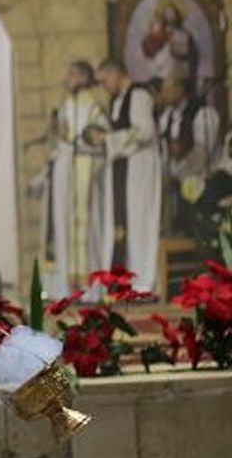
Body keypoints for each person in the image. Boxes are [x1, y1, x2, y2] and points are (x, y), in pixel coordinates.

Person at [89, 59, 162, 292]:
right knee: (123, 223)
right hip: (123, 169)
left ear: (116, 73)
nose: (103, 85)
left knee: (139, 223)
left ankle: (143, 283)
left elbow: (145, 132)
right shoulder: (117, 100)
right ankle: (125, 280)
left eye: (104, 80)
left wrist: (109, 139)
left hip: (140, 170)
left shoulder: (139, 95)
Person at [39, 61, 108, 299]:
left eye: (70, 74)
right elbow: (59, 140)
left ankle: (88, 288)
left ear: (82, 77)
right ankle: (64, 287)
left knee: (85, 223)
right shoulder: (66, 105)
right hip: (65, 171)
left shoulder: (94, 108)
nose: (66, 79)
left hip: (84, 169)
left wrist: (82, 145)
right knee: (63, 224)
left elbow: (102, 141)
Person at [157, 76, 221, 234]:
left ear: (180, 90)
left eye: (167, 89)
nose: (163, 94)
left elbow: (202, 152)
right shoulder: (167, 116)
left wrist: (179, 173)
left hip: (200, 178)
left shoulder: (203, 112)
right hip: (173, 180)